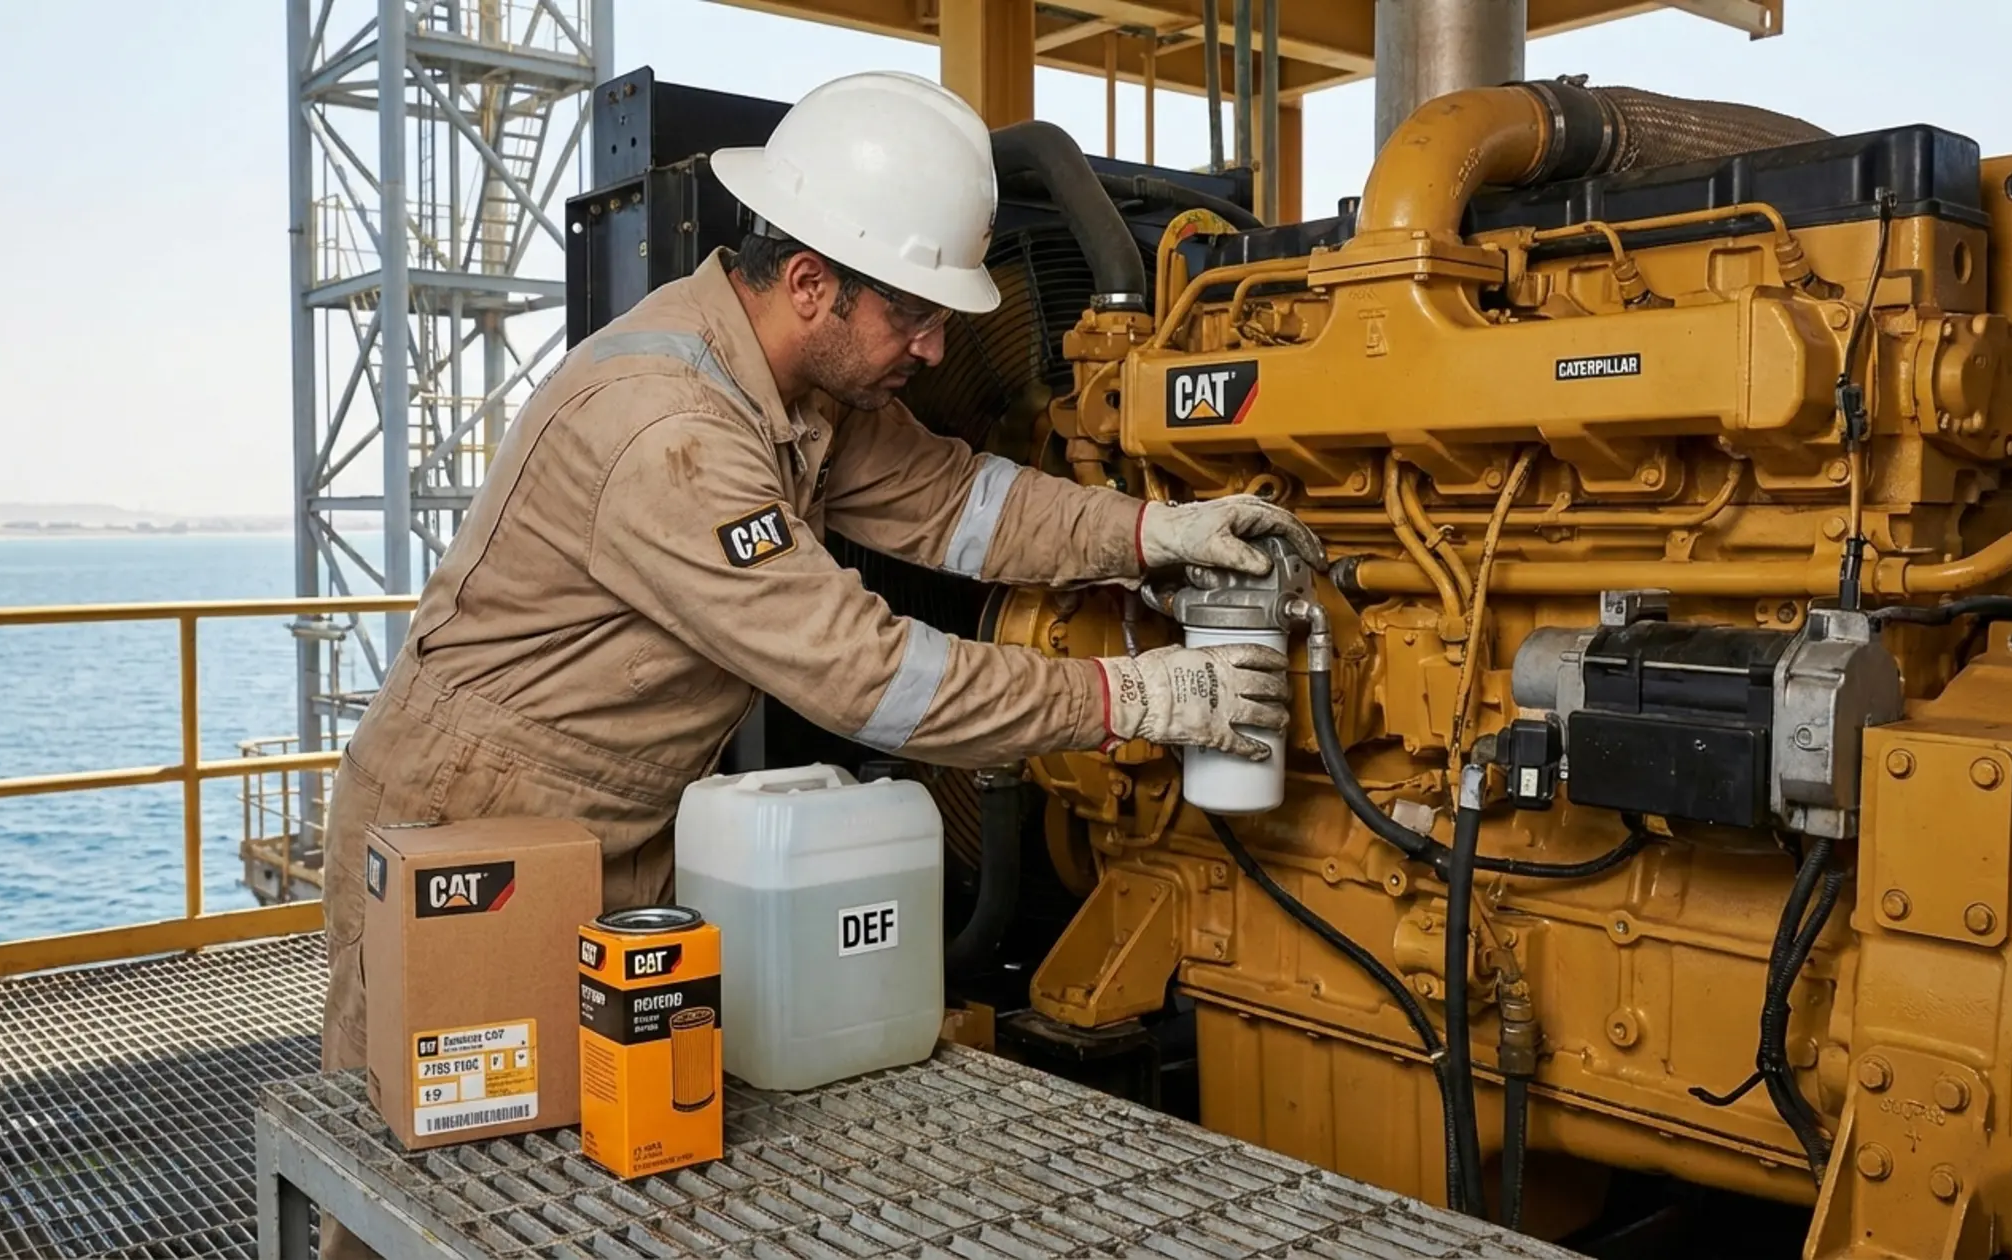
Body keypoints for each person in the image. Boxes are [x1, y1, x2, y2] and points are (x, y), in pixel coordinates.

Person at [313, 66, 1319, 1258]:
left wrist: (1155, 536)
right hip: (472, 828)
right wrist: (1137, 696)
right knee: (432, 1203)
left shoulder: (797, 387)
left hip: (618, 834)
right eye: (915, 316)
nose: (940, 345)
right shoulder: (670, 432)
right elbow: (867, 676)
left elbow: (959, 503)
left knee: (599, 1191)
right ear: (810, 284)